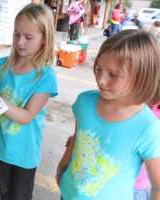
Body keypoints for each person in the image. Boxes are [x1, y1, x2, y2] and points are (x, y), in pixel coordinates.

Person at [55, 29, 160, 199]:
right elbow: (78, 138)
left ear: (141, 77)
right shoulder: (84, 102)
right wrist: (63, 164)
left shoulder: (148, 128)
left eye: (113, 75)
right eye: (98, 69)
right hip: (68, 193)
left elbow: (157, 185)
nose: (101, 81)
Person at [0, 3, 58, 200]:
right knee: (5, 192)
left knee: (20, 196)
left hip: (25, 153)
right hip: (1, 147)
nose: (20, 42)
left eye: (28, 37)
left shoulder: (45, 75)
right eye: (17, 34)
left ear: (43, 40)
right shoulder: (2, 65)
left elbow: (26, 116)